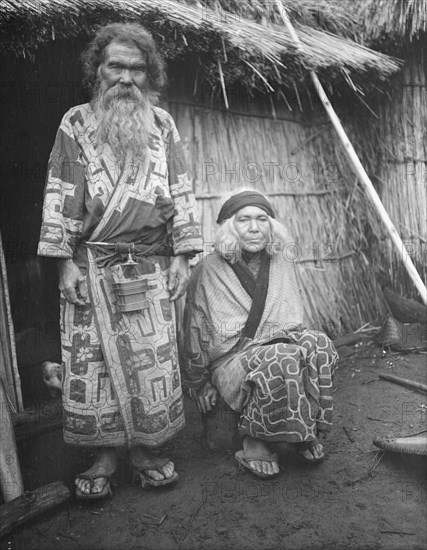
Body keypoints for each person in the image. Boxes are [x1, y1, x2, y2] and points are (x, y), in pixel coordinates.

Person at [37, 23, 203, 498]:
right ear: (98, 69)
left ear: (149, 74)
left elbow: (181, 189)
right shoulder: (75, 123)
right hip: (90, 266)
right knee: (94, 368)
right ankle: (104, 454)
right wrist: (63, 263)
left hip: (149, 266)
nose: (126, 78)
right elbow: (60, 193)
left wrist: (183, 255)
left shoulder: (164, 125)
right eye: (117, 66)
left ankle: (146, 450)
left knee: (151, 362)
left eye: (137, 68)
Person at [181, 189, 338, 478]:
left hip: (279, 343)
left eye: (262, 219)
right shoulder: (207, 270)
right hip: (231, 360)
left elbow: (293, 321)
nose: (254, 228)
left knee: (319, 344)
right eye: (244, 220)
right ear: (230, 226)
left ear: (271, 226)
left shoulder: (281, 263)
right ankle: (254, 439)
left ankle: (303, 428)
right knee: (282, 355)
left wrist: (291, 343)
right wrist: (199, 383)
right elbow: (194, 328)